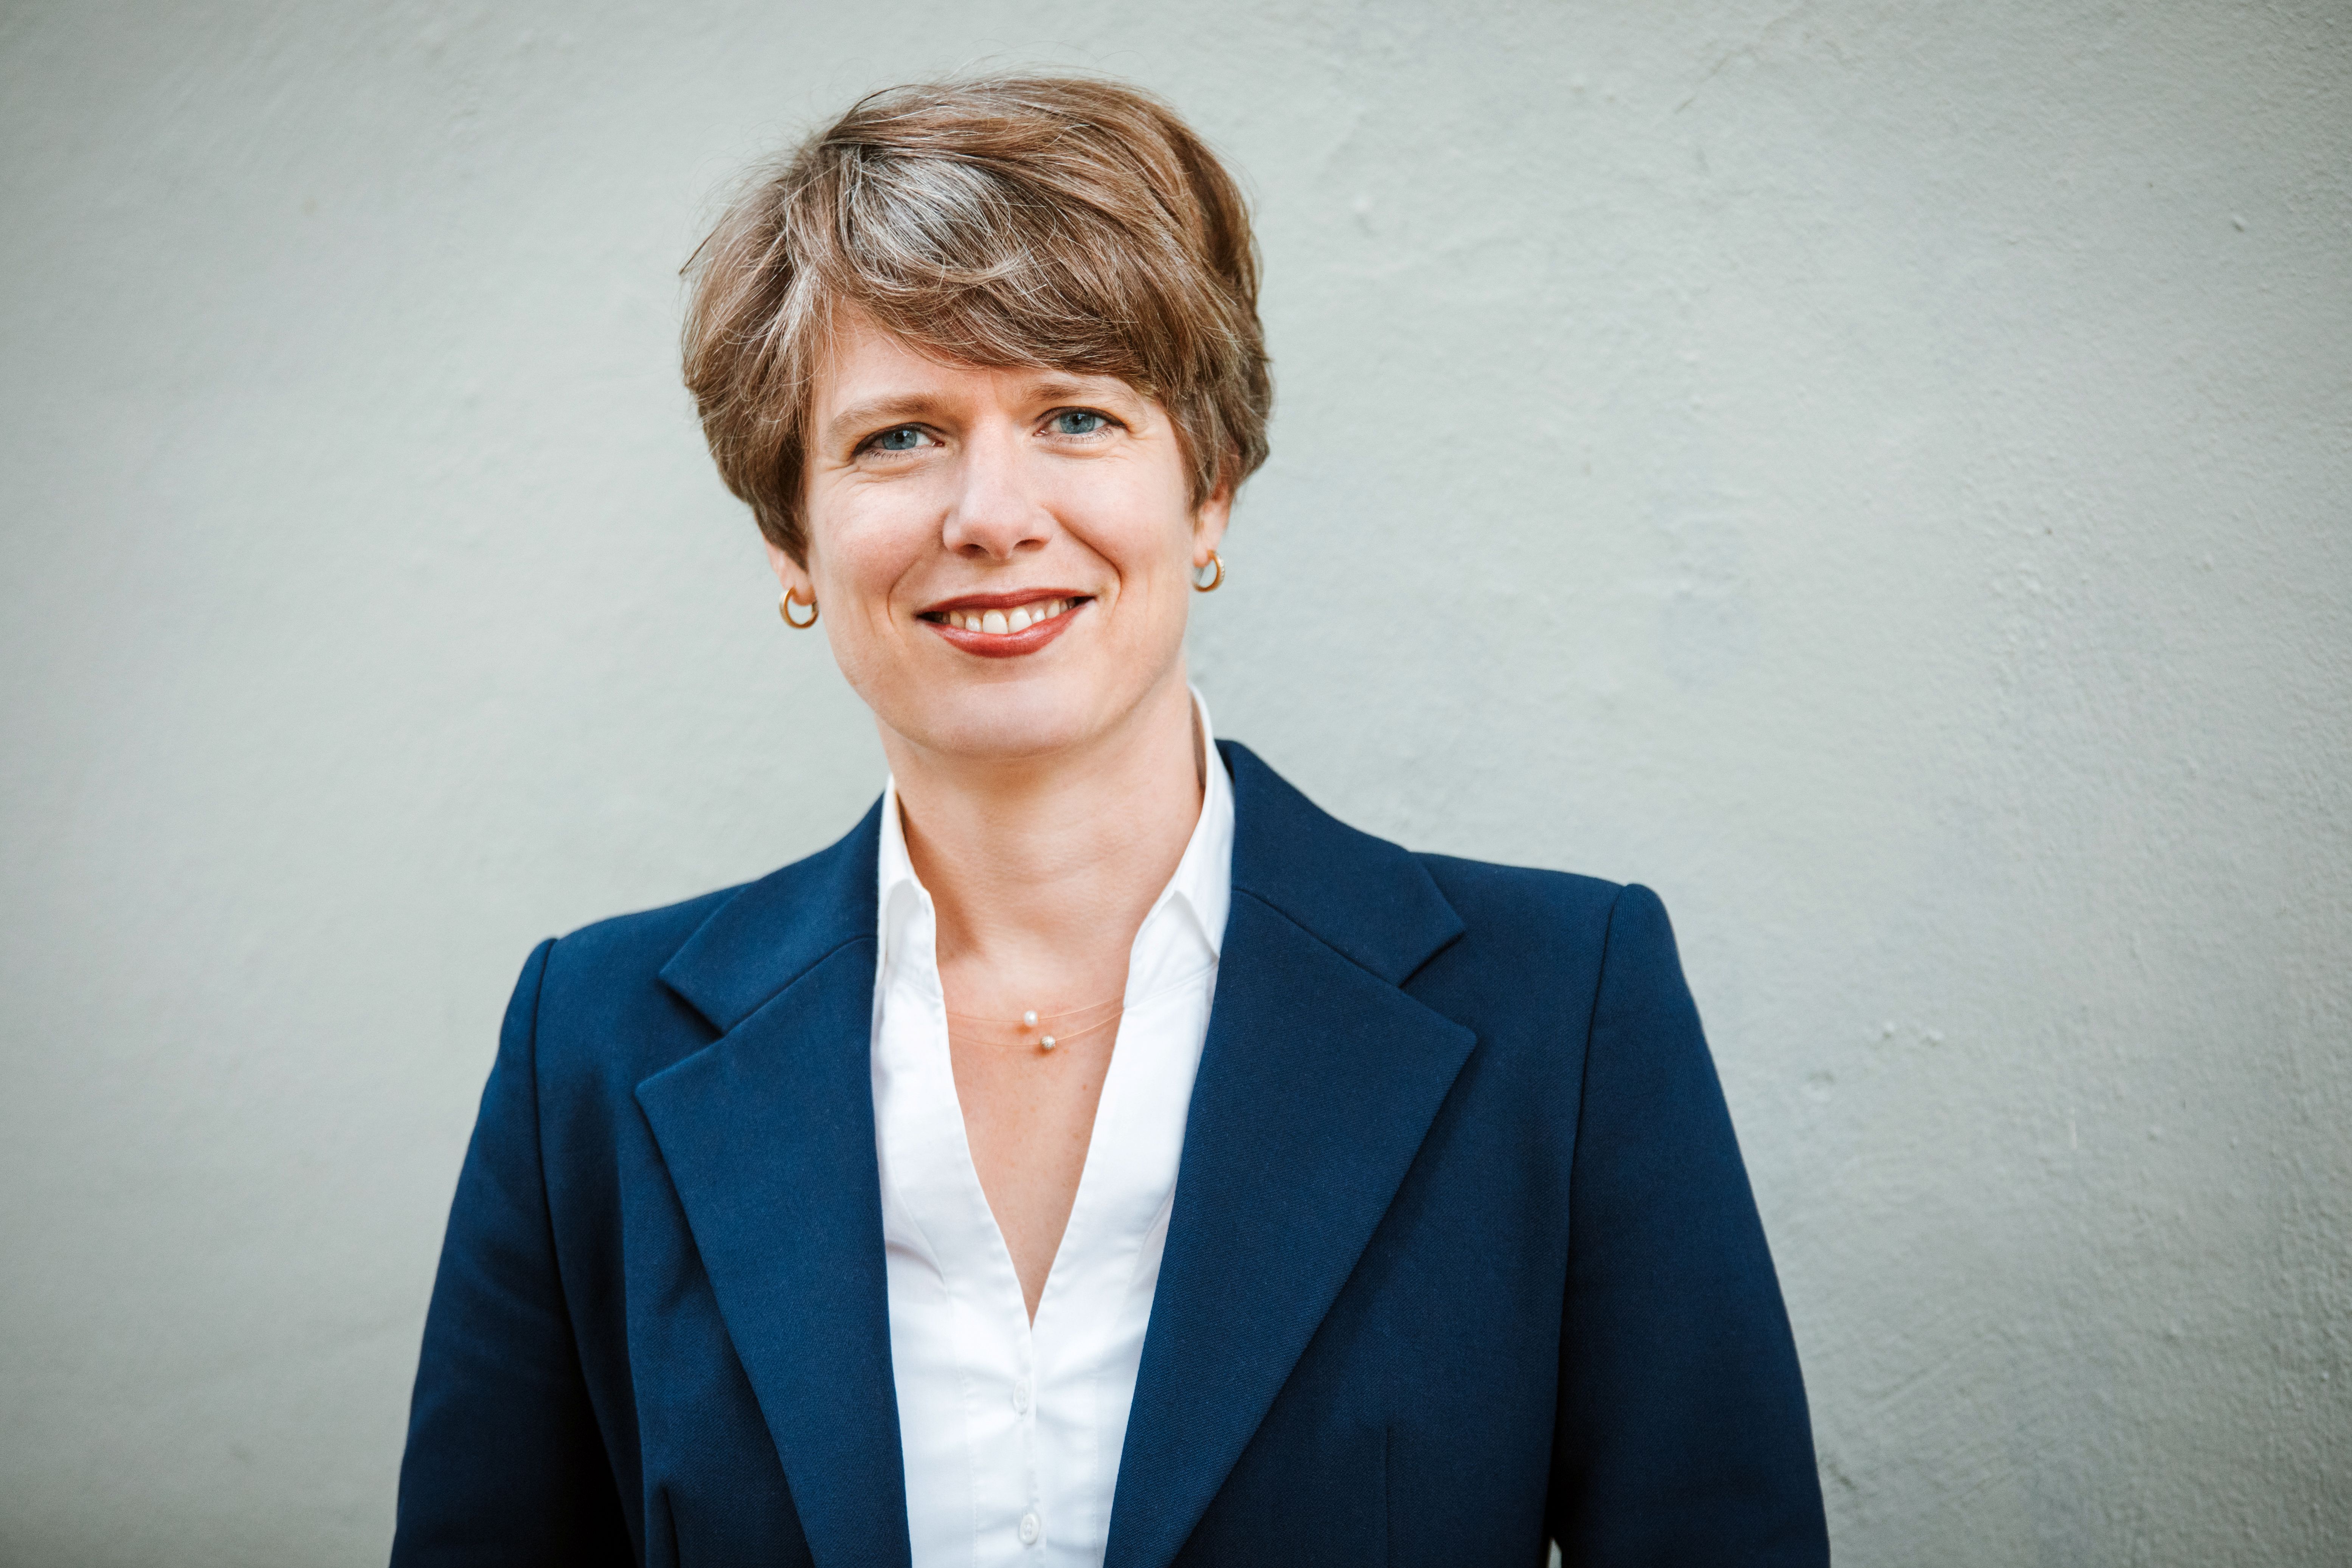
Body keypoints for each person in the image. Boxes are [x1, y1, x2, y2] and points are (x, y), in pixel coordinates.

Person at [391, 75, 1829, 1568]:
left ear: (1206, 492)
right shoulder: (592, 1044)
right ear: (788, 537)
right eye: (899, 437)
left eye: (1075, 414)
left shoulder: (1564, 1005)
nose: (990, 512)